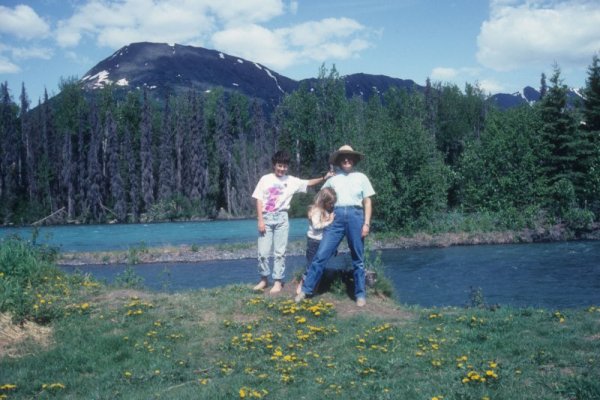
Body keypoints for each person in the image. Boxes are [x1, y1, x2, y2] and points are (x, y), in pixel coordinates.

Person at [295, 145, 375, 307]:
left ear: (354, 160)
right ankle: (306, 290)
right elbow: (321, 200)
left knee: (358, 259)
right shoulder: (332, 180)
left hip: (356, 217)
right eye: (343, 157)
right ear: (339, 161)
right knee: (321, 256)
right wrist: (316, 213)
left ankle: (360, 295)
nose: (346, 159)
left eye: (349, 157)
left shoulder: (362, 177)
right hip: (335, 218)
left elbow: (367, 202)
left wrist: (366, 223)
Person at [252, 150, 333, 294]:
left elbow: (308, 183)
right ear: (274, 165)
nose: (282, 169)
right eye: (279, 165)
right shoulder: (265, 179)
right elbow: (258, 199)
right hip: (266, 217)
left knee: (280, 252)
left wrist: (323, 177)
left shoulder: (291, 180)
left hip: (282, 218)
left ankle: (278, 281)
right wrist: (260, 220)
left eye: (284, 166)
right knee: (263, 252)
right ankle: (264, 280)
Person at [296, 187, 337, 295]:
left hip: (322, 241)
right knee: (311, 265)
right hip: (314, 241)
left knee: (320, 265)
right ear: (323, 201)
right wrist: (330, 221)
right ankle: (302, 284)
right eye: (330, 203)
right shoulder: (316, 211)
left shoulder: (326, 210)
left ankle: (314, 288)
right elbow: (316, 226)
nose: (332, 205)